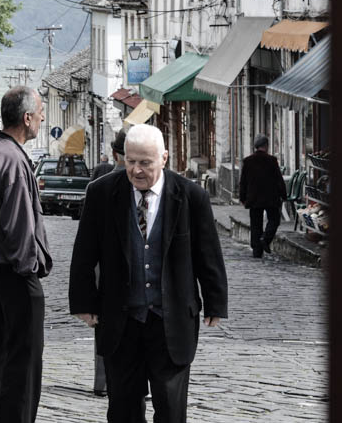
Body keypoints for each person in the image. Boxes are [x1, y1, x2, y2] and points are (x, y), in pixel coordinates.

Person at [69, 123, 228, 423]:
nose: (137, 170)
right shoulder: (102, 194)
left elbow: (207, 253)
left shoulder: (191, 197)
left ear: (164, 158)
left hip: (172, 320)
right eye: (130, 161)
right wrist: (83, 303)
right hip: (121, 320)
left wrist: (216, 301)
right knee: (123, 409)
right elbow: (84, 253)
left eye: (145, 163)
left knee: (170, 409)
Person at [0, 86, 53, 423]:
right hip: (14, 272)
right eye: (41, 113)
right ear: (27, 118)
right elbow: (19, 225)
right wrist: (28, 267)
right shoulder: (12, 158)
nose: (43, 118)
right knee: (25, 359)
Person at [85, 129, 128, 399]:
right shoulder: (102, 185)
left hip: (107, 266)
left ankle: (105, 381)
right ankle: (107, 380)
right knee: (107, 323)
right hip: (107, 265)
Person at [239, 134, 287, 258]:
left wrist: (242, 197)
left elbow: (243, 181)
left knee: (255, 224)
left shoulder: (248, 161)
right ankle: (265, 239)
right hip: (270, 197)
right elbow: (278, 179)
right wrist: (284, 194)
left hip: (253, 197)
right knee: (274, 220)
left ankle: (257, 251)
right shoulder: (272, 160)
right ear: (266, 146)